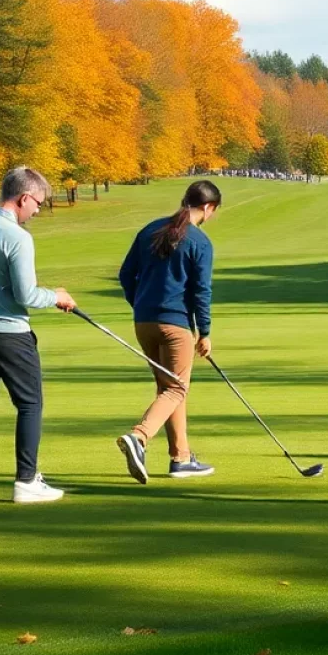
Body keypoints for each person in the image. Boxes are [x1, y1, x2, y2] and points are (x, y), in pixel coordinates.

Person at [0, 167, 76, 506]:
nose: (37, 210)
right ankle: (26, 481)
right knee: (30, 403)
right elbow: (26, 295)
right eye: (38, 203)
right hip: (9, 334)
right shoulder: (18, 237)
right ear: (23, 198)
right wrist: (57, 296)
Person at [116, 180, 221, 482]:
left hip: (143, 322)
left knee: (169, 390)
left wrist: (140, 303)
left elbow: (126, 275)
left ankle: (181, 458)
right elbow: (201, 291)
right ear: (207, 208)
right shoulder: (199, 242)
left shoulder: (151, 229)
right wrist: (205, 331)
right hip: (174, 325)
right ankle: (139, 437)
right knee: (177, 388)